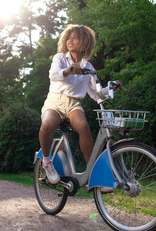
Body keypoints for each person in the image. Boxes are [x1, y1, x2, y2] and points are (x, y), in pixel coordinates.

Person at [39, 24, 117, 185]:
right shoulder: (59, 58)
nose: (70, 40)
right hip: (55, 100)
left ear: (84, 42)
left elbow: (96, 94)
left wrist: (111, 88)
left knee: (83, 126)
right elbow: (53, 75)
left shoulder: (88, 67)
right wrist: (68, 70)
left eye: (75, 37)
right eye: (68, 37)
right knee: (47, 125)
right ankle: (47, 162)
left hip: (73, 104)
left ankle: (92, 172)